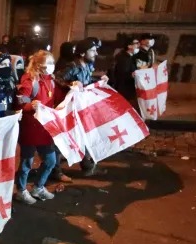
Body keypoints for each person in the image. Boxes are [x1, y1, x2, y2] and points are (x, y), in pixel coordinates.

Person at [14, 50, 66, 204]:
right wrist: (31, 105)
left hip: (45, 130)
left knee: (50, 161)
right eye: (47, 63)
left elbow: (59, 99)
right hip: (30, 130)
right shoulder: (29, 81)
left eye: (52, 63)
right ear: (38, 65)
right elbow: (21, 102)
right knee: (26, 163)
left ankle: (38, 187)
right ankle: (21, 190)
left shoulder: (51, 81)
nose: (51, 66)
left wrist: (75, 90)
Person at [60, 39, 108, 176]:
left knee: (85, 135)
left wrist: (99, 80)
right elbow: (57, 79)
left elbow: (86, 81)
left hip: (81, 108)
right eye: (92, 50)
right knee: (70, 137)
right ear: (82, 53)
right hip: (71, 109)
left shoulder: (86, 65)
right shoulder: (72, 66)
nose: (96, 53)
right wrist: (71, 84)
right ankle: (55, 169)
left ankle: (88, 166)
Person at [111, 37, 140, 107]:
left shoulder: (129, 57)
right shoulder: (123, 58)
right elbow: (121, 75)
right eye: (136, 43)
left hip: (128, 90)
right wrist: (131, 75)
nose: (138, 45)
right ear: (129, 46)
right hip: (125, 91)